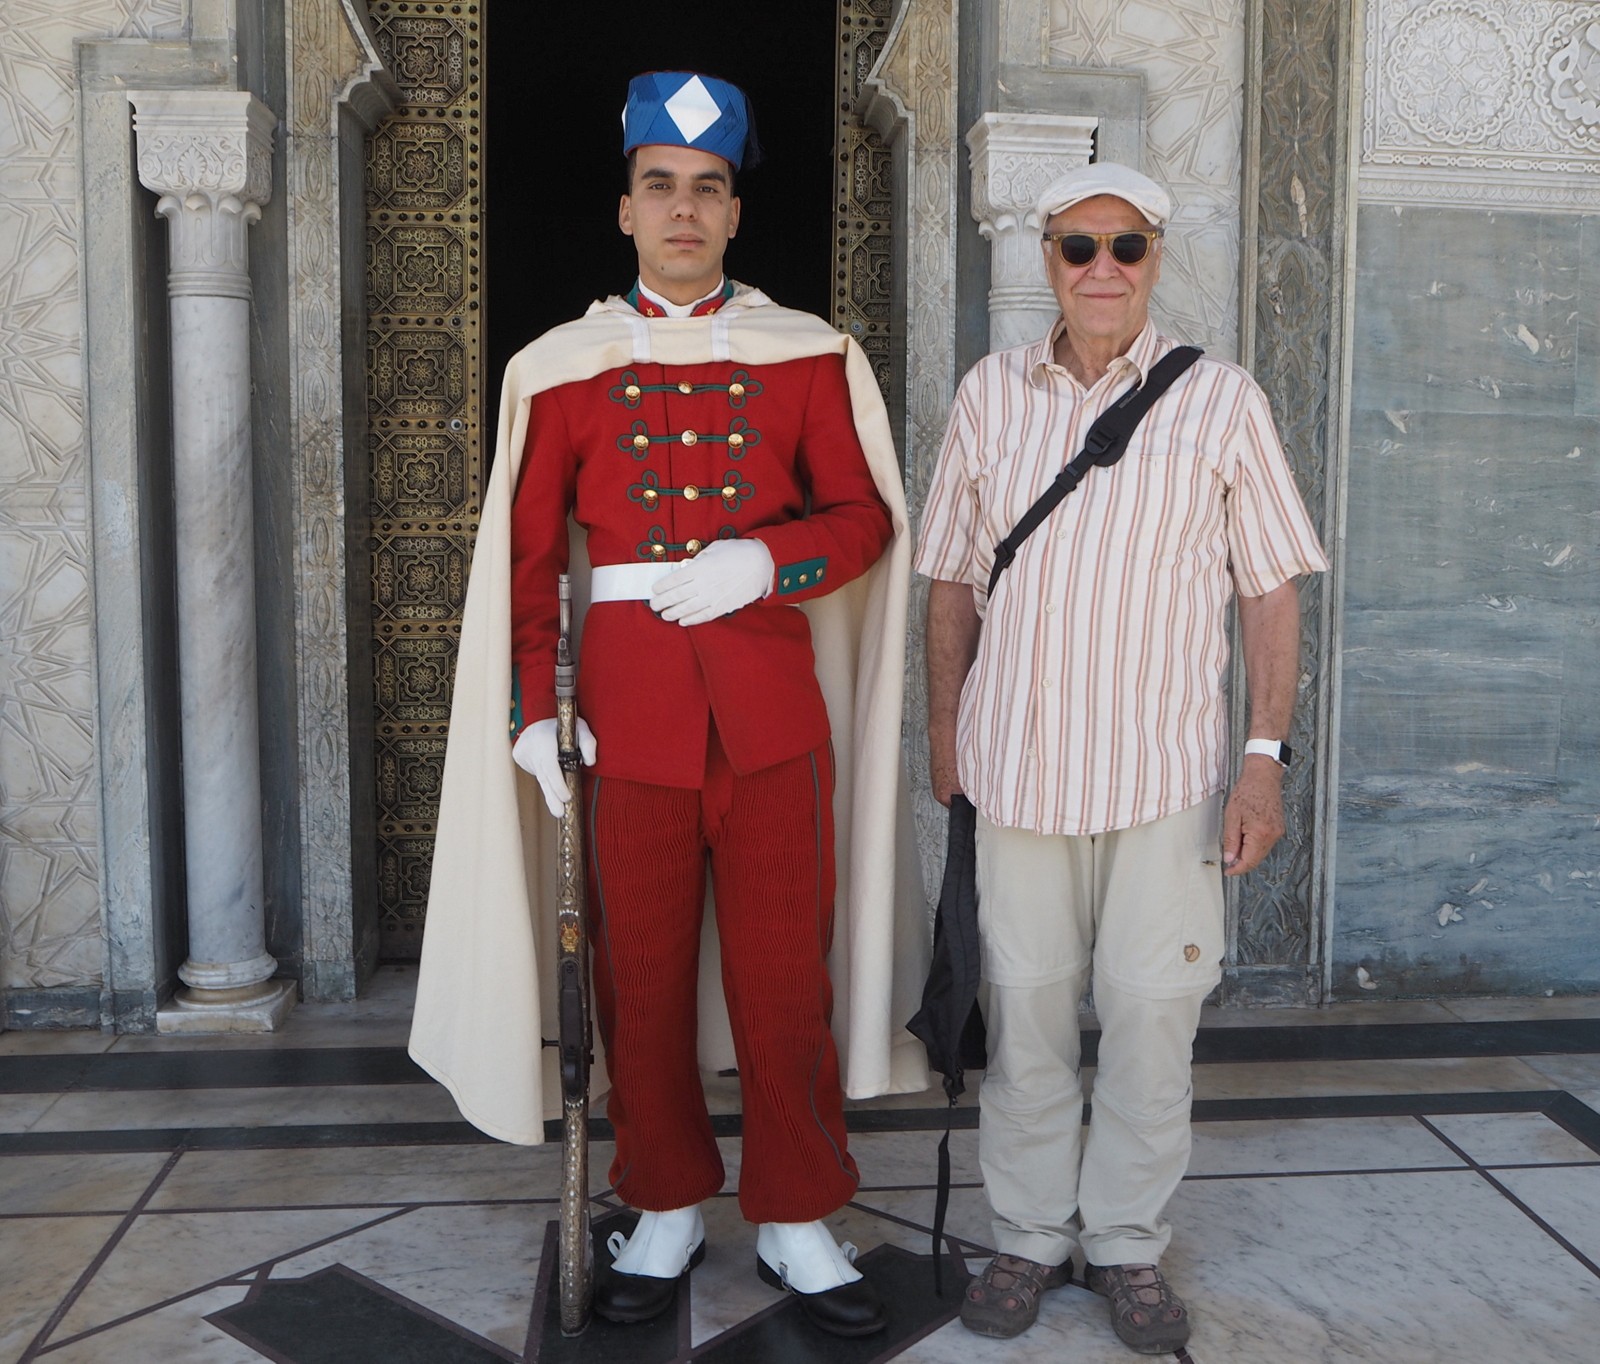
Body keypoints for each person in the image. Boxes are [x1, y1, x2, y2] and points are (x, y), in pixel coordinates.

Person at [408, 70, 928, 1340]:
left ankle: (800, 1215)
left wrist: (769, 559)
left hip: (768, 717)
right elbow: (529, 563)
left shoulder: (809, 355)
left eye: (707, 190)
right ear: (626, 209)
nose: (683, 211)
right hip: (623, 724)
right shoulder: (560, 367)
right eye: (661, 188)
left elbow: (865, 518)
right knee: (635, 982)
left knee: (780, 979)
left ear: (736, 214)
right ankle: (666, 1205)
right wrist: (536, 709)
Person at [915, 161, 1328, 1353]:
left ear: (1155, 257)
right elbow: (951, 578)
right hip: (1020, 772)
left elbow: (1270, 588)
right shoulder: (989, 395)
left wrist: (1263, 757)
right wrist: (944, 729)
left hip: (1165, 779)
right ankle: (1030, 1234)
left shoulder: (1221, 399)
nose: (1101, 269)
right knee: (1030, 1016)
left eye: (1126, 248)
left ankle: (1129, 1243)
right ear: (1045, 258)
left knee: (1153, 1018)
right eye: (1078, 246)